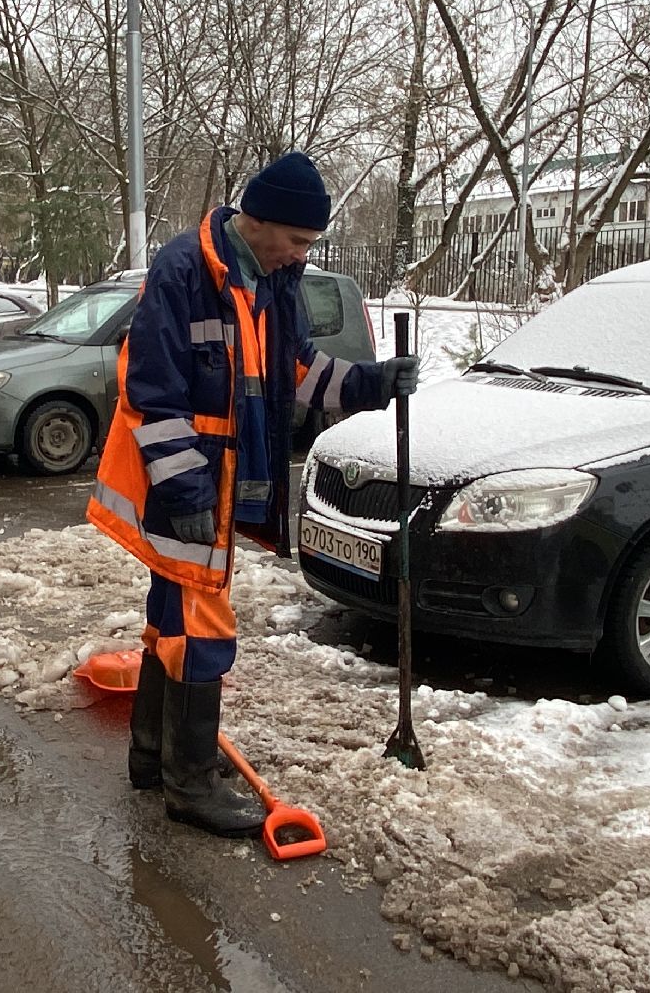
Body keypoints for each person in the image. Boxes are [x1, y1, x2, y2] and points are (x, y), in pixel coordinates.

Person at [86, 151, 419, 838]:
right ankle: (192, 787)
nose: (302, 253)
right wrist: (184, 487)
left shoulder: (275, 279)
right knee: (202, 630)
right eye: (297, 239)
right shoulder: (184, 271)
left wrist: (370, 384)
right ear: (258, 221)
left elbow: (293, 372)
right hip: (181, 485)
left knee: (171, 620)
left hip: (222, 483)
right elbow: (151, 392)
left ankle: (154, 759)